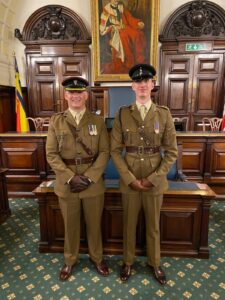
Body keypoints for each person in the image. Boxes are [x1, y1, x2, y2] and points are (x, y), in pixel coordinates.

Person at [110, 64, 178, 285]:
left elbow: (171, 152)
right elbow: (114, 150)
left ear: (152, 85)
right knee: (129, 223)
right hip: (129, 178)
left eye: (146, 81)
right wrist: (130, 179)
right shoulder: (122, 114)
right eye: (138, 82)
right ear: (132, 86)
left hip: (154, 179)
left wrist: (154, 178)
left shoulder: (164, 114)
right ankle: (128, 262)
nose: (142, 85)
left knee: (153, 225)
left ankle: (155, 262)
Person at [46, 76, 110, 281]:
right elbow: (51, 154)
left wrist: (90, 177)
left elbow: (105, 152)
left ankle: (97, 258)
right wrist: (70, 177)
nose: (75, 96)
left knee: (94, 224)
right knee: (70, 225)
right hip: (67, 185)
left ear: (86, 95)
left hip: (93, 184)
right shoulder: (56, 120)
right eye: (71, 92)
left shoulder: (97, 120)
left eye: (79, 92)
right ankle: (70, 260)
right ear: (65, 95)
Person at [99, 0, 147, 74]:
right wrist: (114, 26)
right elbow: (103, 28)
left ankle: (139, 60)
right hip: (114, 31)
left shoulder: (121, 6)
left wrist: (137, 23)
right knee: (123, 36)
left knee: (137, 33)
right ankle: (128, 62)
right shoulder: (106, 9)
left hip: (125, 28)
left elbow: (130, 18)